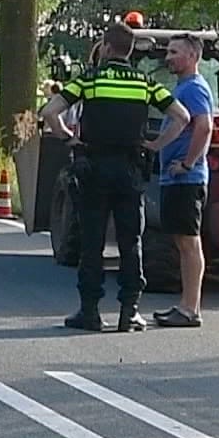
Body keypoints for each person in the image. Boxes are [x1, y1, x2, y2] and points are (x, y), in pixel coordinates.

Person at [39, 22, 189, 333]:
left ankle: (89, 312)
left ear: (107, 48)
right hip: (130, 170)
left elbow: (51, 112)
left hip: (93, 168)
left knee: (92, 242)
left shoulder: (89, 80)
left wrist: (69, 139)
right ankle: (129, 312)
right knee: (131, 241)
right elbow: (182, 117)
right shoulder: (145, 83)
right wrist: (156, 145)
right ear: (130, 51)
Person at [148, 35, 216, 329]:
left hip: (187, 179)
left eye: (174, 52)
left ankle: (190, 308)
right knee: (182, 241)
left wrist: (188, 163)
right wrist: (156, 147)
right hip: (177, 178)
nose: (168, 57)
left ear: (191, 56)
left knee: (189, 242)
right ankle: (186, 305)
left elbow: (204, 126)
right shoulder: (184, 87)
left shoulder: (195, 88)